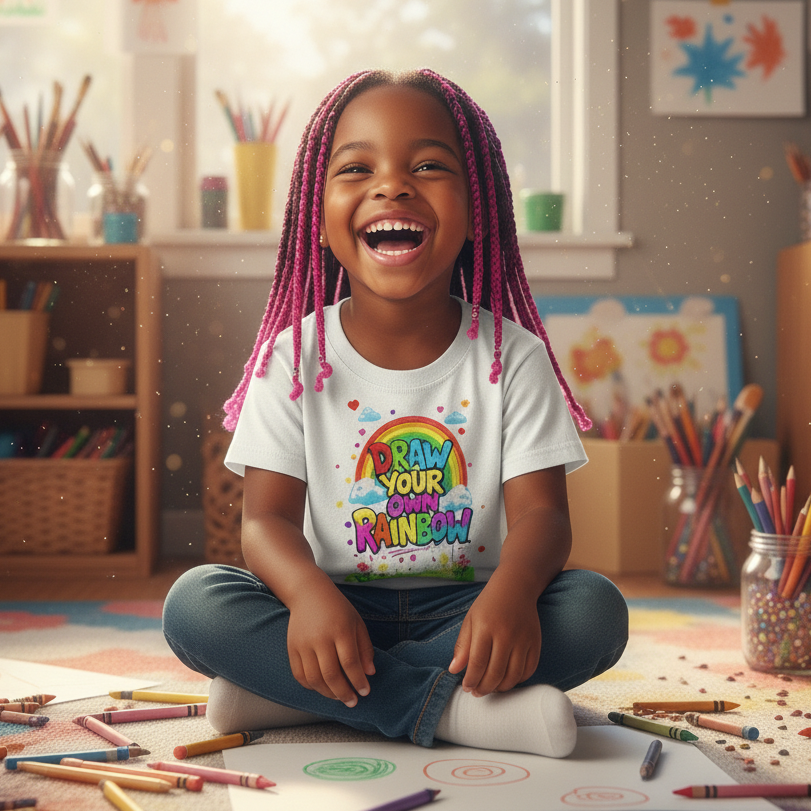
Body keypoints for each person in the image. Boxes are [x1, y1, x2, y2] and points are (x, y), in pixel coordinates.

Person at [163, 68, 628, 759]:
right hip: (329, 608)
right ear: (314, 216)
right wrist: (308, 597)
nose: (391, 184)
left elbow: (542, 518)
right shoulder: (293, 356)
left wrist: (510, 594)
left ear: (479, 210)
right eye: (356, 167)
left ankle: (290, 693)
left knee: (593, 610)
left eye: (429, 165)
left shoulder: (513, 357)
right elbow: (262, 522)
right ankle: (456, 711)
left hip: (467, 611)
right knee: (194, 602)